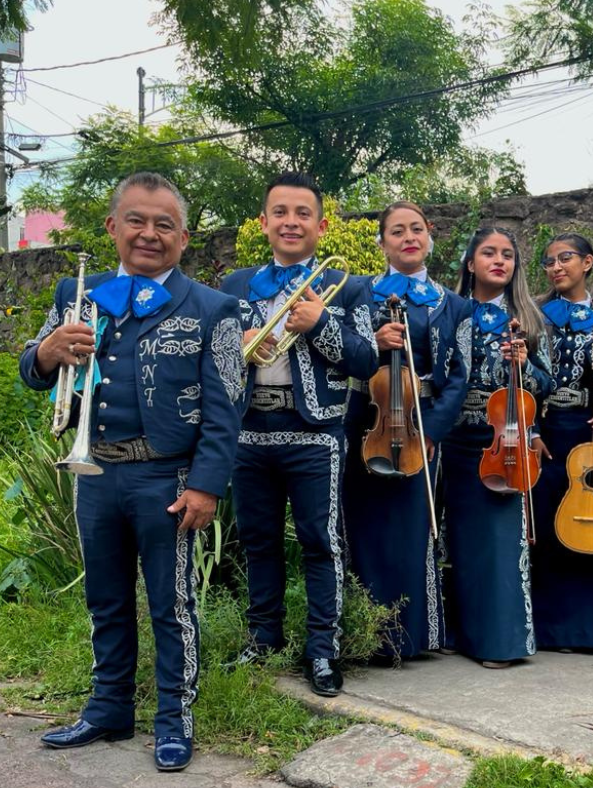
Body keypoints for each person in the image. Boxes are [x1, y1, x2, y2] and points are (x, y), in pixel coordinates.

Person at [20, 172, 245, 772]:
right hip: (95, 473)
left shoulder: (215, 308)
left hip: (168, 480)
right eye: (137, 221)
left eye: (164, 224)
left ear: (184, 237)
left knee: (172, 605)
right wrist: (47, 351)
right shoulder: (79, 294)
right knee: (106, 599)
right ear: (112, 227)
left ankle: (175, 718)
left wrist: (206, 485)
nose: (150, 234)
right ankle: (109, 708)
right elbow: (33, 369)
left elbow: (227, 408)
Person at [220, 171, 377, 697]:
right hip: (249, 430)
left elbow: (366, 358)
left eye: (302, 214)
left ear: (321, 225)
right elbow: (213, 359)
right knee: (258, 540)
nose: (291, 222)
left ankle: (323, 651)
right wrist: (236, 341)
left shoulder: (349, 287)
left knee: (320, 542)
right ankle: (263, 638)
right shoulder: (235, 285)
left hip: (315, 432)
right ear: (263, 222)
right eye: (280, 213)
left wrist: (322, 323)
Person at [343, 201, 471, 663]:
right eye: (397, 231)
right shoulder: (358, 293)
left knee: (416, 529)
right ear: (382, 242)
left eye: (416, 229)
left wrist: (433, 430)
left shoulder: (453, 304)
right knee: (363, 528)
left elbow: (460, 375)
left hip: (421, 426)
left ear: (430, 235)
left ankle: (413, 636)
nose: (408, 237)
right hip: (368, 423)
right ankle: (363, 635)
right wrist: (372, 343)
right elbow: (340, 352)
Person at [438, 227, 551, 668]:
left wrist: (524, 365)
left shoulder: (527, 318)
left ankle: (499, 642)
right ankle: (458, 633)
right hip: (454, 437)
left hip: (502, 440)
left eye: (507, 254)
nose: (499, 260)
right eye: (488, 253)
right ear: (470, 264)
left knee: (501, 544)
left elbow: (547, 383)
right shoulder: (451, 314)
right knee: (456, 540)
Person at [529, 232, 593, 653]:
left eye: (564, 258)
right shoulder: (536, 315)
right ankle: (552, 631)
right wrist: (530, 431)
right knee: (550, 530)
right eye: (549, 261)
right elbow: (522, 381)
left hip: (588, 434)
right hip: (547, 433)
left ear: (587, 263)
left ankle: (590, 631)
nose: (556, 267)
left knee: (590, 526)